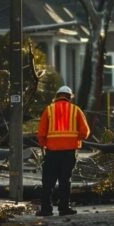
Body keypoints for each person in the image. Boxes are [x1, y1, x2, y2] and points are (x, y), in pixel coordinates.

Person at [36, 86, 90, 216]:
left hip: (51, 152)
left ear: (57, 95)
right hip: (69, 152)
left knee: (48, 181)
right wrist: (76, 139)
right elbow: (85, 132)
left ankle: (46, 209)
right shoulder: (76, 110)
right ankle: (64, 208)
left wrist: (43, 145)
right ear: (70, 96)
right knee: (65, 180)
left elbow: (41, 133)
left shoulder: (49, 110)